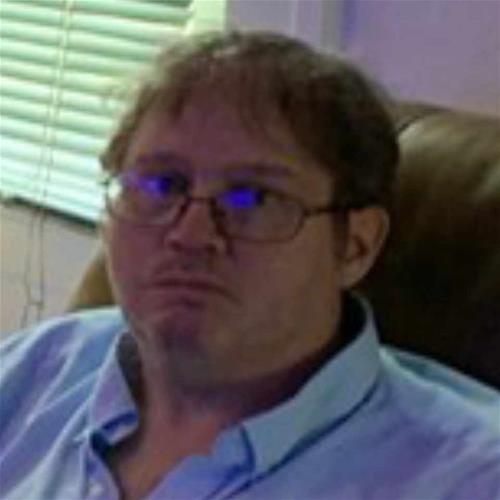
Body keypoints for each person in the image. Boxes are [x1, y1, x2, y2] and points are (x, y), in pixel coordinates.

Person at [0, 31, 498, 500]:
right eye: (162, 185)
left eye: (253, 197)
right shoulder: (32, 371)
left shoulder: (468, 478)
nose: (190, 235)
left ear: (356, 245)